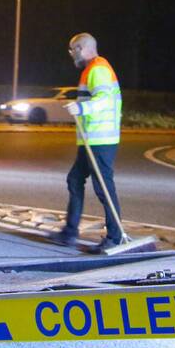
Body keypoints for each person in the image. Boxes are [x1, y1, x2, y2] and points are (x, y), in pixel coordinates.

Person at [49, 32, 124, 253]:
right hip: (91, 139)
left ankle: (115, 237)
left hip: (101, 139)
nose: (71, 55)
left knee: (103, 188)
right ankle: (69, 232)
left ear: (80, 49)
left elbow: (105, 99)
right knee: (75, 179)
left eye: (72, 50)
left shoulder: (98, 69)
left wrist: (82, 108)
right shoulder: (91, 70)